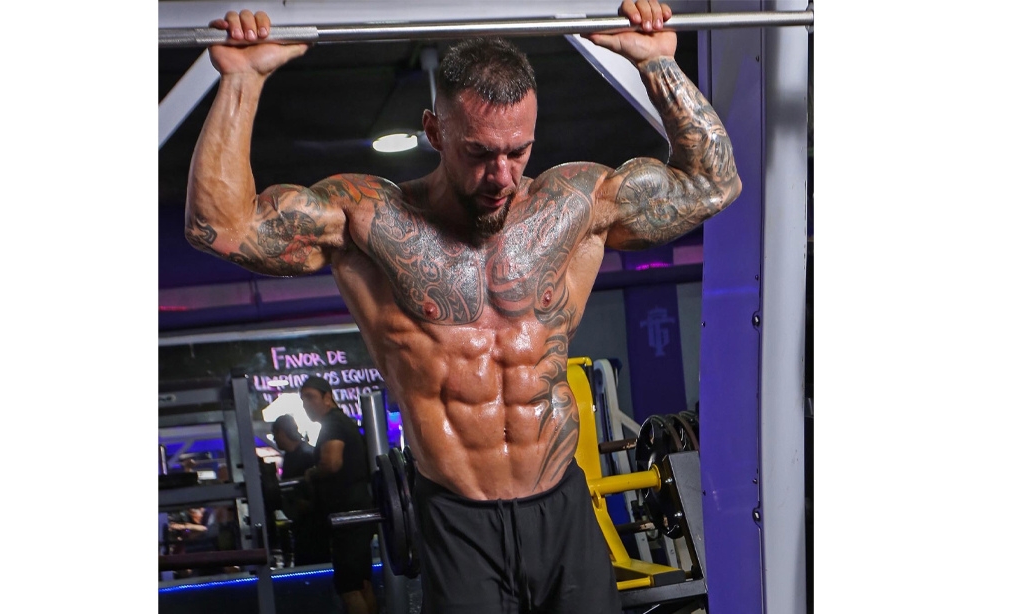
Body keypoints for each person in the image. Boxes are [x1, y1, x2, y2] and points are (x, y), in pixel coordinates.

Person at [185, 0, 741, 610]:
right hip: (457, 521)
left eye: (518, 151)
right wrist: (241, 81)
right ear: (435, 132)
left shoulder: (575, 206)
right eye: (479, 153)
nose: (501, 175)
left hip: (562, 503)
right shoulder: (370, 221)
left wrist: (658, 65)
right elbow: (221, 228)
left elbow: (713, 184)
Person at [299, 376, 377, 614]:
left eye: (310, 397)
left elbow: (332, 463)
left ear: (327, 397)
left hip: (347, 516)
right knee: (361, 583)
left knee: (348, 587)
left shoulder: (333, 423)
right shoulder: (342, 422)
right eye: (303, 399)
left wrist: (312, 473)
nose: (306, 404)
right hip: (356, 512)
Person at [272, 413, 332, 567]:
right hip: (305, 526)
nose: (274, 439)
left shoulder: (305, 455)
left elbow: (322, 488)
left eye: (275, 434)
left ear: (281, 432)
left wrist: (308, 504)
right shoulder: (296, 455)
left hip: (314, 528)